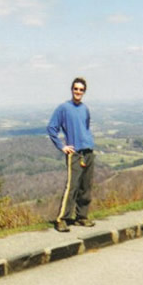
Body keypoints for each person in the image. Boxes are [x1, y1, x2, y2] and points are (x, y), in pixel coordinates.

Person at [47, 77, 96, 232]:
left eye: (81, 89)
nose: (78, 92)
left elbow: (85, 127)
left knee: (85, 187)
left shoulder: (85, 109)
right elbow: (51, 128)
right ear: (71, 89)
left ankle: (81, 217)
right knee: (72, 187)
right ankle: (62, 219)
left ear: (84, 92)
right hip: (74, 154)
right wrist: (62, 146)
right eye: (76, 88)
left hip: (88, 151)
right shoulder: (64, 108)